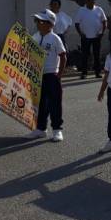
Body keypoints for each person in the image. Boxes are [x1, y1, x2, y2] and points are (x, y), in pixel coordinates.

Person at [27, 9, 67, 142]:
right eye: (37, 21)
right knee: (40, 104)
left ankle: (57, 130)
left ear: (50, 24)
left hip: (51, 74)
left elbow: (63, 56)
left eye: (41, 21)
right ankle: (40, 129)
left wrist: (59, 75)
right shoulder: (35, 36)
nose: (38, 23)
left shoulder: (55, 38)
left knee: (54, 103)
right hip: (38, 76)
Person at [74, 0, 107, 79]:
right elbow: (77, 23)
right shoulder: (81, 10)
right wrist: (81, 34)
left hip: (97, 37)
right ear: (86, 1)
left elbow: (104, 22)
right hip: (85, 37)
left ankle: (97, 72)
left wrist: (102, 32)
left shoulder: (99, 9)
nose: (93, 1)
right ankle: (84, 73)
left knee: (97, 55)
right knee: (85, 55)